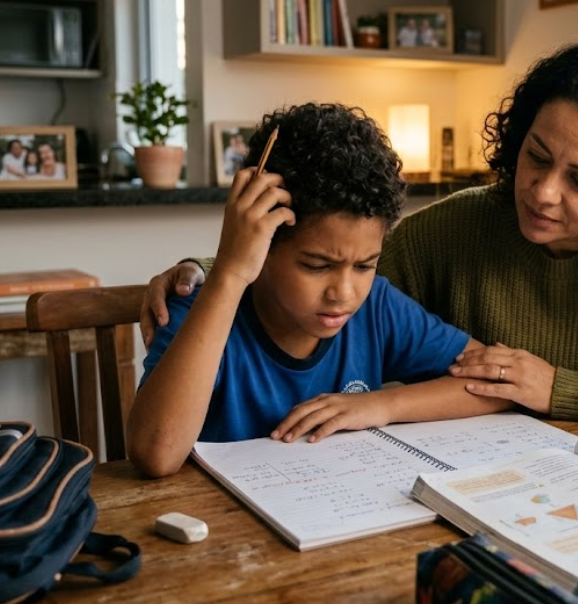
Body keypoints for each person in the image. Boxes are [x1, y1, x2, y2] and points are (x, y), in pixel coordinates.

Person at [141, 41, 578, 431]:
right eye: (536, 156)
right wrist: (208, 265)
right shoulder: (465, 222)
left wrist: (558, 389)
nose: (542, 192)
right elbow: (337, 260)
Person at [127, 103, 509, 478]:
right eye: (317, 266)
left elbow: (499, 381)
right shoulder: (198, 310)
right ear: (262, 243)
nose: (343, 293)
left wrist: (381, 405)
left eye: (364, 265)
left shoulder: (376, 306)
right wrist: (228, 272)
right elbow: (156, 455)